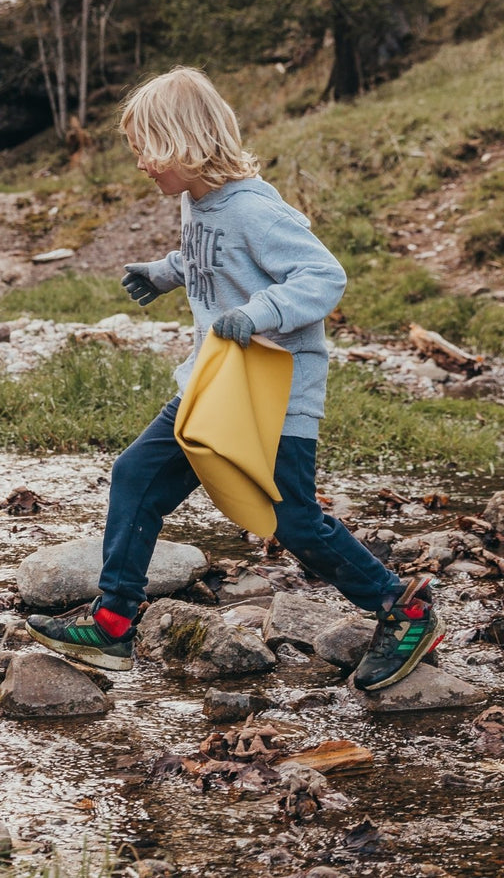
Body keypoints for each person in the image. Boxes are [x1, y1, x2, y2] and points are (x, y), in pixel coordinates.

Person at [26, 66, 443, 691]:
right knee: (136, 475)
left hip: (271, 398)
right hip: (211, 389)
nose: (140, 163)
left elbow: (323, 276)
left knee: (293, 521)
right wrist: (168, 271)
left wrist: (257, 313)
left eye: (146, 148)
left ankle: (403, 610)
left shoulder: (252, 208)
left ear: (185, 143)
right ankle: (114, 622)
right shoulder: (198, 202)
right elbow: (214, 257)